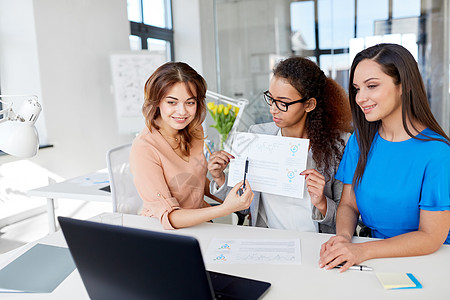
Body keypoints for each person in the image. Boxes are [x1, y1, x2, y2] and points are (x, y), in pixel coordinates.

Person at [319, 43, 450, 272]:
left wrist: (363, 251)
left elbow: (431, 237)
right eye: (357, 89)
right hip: (374, 258)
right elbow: (349, 204)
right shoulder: (360, 140)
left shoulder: (438, 152)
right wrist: (343, 238)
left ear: (404, 86)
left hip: (427, 262)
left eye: (372, 86)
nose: (360, 98)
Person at [208, 57, 352, 233]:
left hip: (318, 245)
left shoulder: (339, 145)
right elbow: (244, 207)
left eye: (283, 103)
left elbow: (348, 220)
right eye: (271, 98)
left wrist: (322, 203)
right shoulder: (258, 136)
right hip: (269, 241)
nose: (272, 109)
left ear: (309, 104)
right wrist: (220, 178)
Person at [130, 62, 254, 230]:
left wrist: (224, 187)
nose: (182, 112)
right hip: (163, 231)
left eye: (190, 103)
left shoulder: (193, 129)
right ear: (157, 101)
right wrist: (225, 208)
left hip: (200, 225)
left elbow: (195, 183)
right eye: (172, 102)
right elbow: (169, 217)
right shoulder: (144, 148)